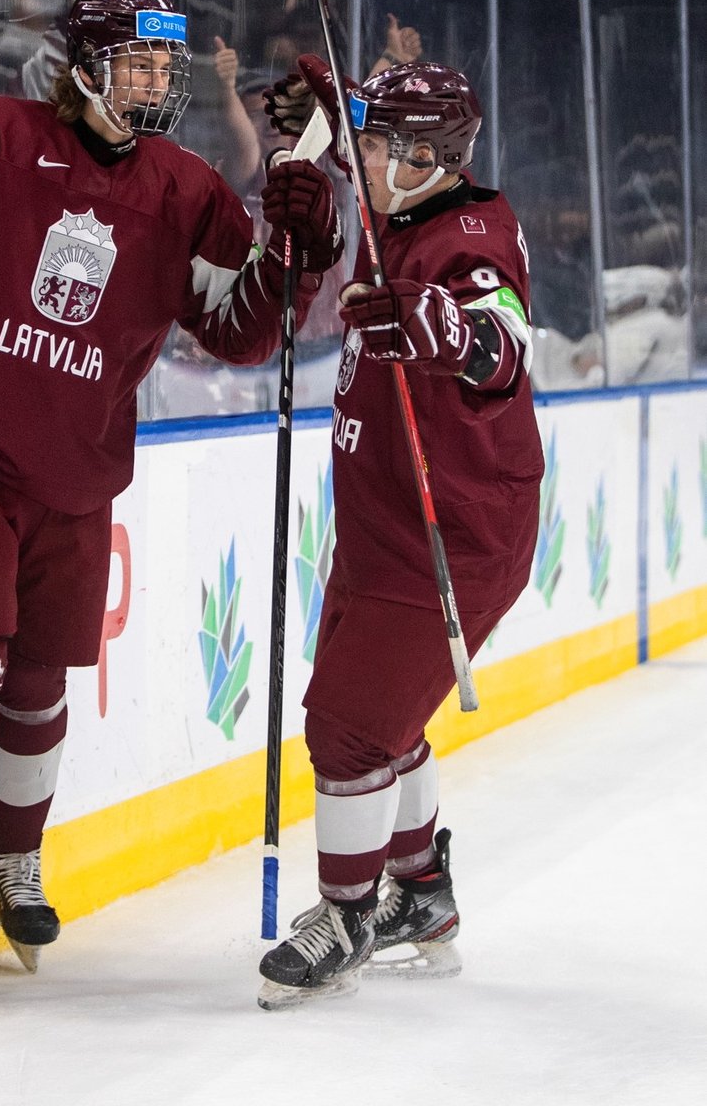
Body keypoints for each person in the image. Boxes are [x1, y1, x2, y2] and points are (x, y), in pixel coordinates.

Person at [0, 0, 342, 989]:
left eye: (163, 65)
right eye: (138, 61)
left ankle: (18, 858)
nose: (154, 81)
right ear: (88, 63)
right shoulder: (0, 134)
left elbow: (246, 325)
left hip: (81, 468)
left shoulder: (183, 186)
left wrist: (301, 210)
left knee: (41, 678)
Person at [255, 54, 544, 1008]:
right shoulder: (409, 203)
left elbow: (503, 345)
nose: (361, 159)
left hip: (451, 535)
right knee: (380, 719)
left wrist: (443, 328)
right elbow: (365, 157)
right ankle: (421, 894)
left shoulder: (473, 239)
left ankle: (347, 915)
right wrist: (332, 114)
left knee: (344, 730)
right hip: (384, 525)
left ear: (425, 157)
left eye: (377, 145)